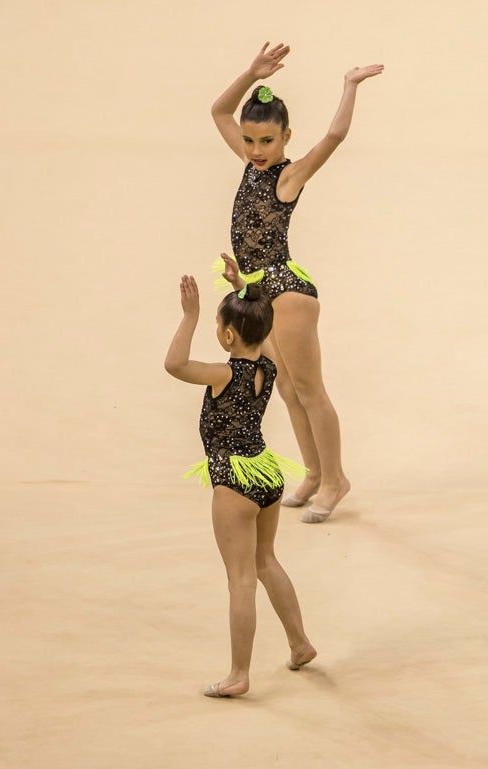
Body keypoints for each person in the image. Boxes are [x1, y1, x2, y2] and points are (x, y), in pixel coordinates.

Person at [211, 41, 383, 523]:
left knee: (309, 389)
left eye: (268, 141)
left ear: (286, 137)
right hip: (259, 288)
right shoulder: (248, 162)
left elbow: (335, 135)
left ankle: (336, 479)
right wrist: (250, 73)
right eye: (250, 141)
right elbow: (219, 110)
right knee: (285, 389)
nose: (257, 150)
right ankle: (312, 472)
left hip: (287, 291)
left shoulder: (287, 176)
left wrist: (348, 86)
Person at [165, 274, 316, 697]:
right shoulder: (267, 366)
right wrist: (250, 293)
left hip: (233, 480)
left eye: (217, 325)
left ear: (227, 335)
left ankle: (239, 674)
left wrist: (190, 316)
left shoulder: (223, 374)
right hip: (266, 472)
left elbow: (174, 365)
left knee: (241, 579)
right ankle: (300, 644)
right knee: (266, 560)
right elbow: (262, 331)